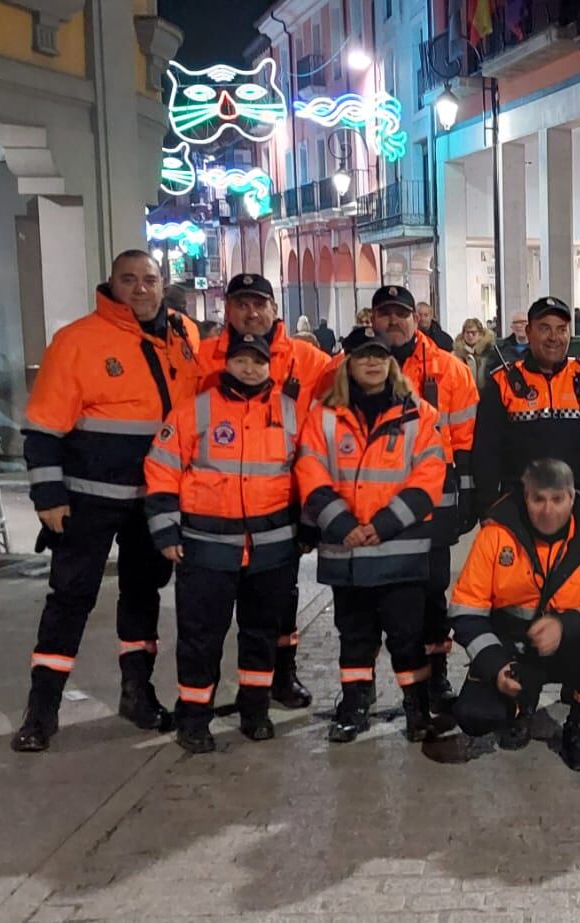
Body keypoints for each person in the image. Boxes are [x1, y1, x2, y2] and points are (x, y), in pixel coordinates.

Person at [12, 251, 202, 752]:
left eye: (150, 279)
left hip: (154, 502)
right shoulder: (77, 341)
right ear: (111, 284)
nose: (141, 288)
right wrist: (48, 495)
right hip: (87, 501)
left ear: (163, 285)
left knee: (142, 599)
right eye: (129, 280)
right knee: (71, 598)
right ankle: (42, 708)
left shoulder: (184, 337)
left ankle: (137, 694)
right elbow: (43, 429)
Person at [141, 331, 297, 753]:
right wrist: (165, 530)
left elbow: (307, 474)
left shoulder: (290, 413)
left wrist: (307, 529)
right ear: (226, 363)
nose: (250, 368)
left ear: (270, 366)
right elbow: (162, 468)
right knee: (200, 636)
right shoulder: (195, 411)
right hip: (206, 546)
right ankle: (194, 717)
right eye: (241, 360)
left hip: (271, 548)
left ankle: (255, 711)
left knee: (261, 634)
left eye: (258, 361)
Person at [295, 326, 450, 743]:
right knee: (355, 638)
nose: (372, 362)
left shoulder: (419, 415)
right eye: (363, 355)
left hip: (398, 550)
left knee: (408, 636)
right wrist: (344, 526)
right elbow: (310, 474)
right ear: (348, 362)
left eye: (379, 355)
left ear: (391, 362)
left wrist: (380, 527)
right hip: (346, 551)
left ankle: (416, 708)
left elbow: (429, 477)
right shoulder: (323, 418)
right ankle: (354, 705)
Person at [197, 273, 337, 710]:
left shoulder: (310, 361)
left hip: (284, 503)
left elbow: (331, 428)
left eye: (259, 304)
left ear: (274, 310)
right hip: (216, 507)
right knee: (214, 605)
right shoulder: (202, 358)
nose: (251, 313)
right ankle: (207, 692)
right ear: (227, 309)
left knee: (281, 596)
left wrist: (315, 509)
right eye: (241, 304)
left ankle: (282, 675)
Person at [449, 459, 580, 770]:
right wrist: (495, 666)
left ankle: (579, 724)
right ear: (524, 496)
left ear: (573, 497)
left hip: (571, 644)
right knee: (474, 715)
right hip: (515, 649)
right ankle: (519, 705)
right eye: (538, 499)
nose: (548, 510)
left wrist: (564, 626)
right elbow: (466, 609)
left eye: (558, 500)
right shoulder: (496, 534)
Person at [370, 284, 481, 712]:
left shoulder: (448, 370)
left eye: (401, 313)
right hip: (374, 500)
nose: (394, 321)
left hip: (435, 498)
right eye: (385, 314)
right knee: (373, 600)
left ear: (417, 319)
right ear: (373, 319)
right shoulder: (353, 369)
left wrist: (468, 495)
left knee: (432, 591)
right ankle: (364, 688)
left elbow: (467, 438)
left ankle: (435, 679)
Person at [473, 297, 580, 506]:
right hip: (517, 505)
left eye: (561, 329)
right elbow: (485, 450)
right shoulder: (502, 382)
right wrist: (487, 506)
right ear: (529, 332)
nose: (554, 337)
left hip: (578, 503)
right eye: (545, 329)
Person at [456, 318, 495, 383]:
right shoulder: (456, 354)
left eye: (473, 333)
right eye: (467, 333)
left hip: (487, 391)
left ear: (480, 334)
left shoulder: (490, 352)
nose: (470, 335)